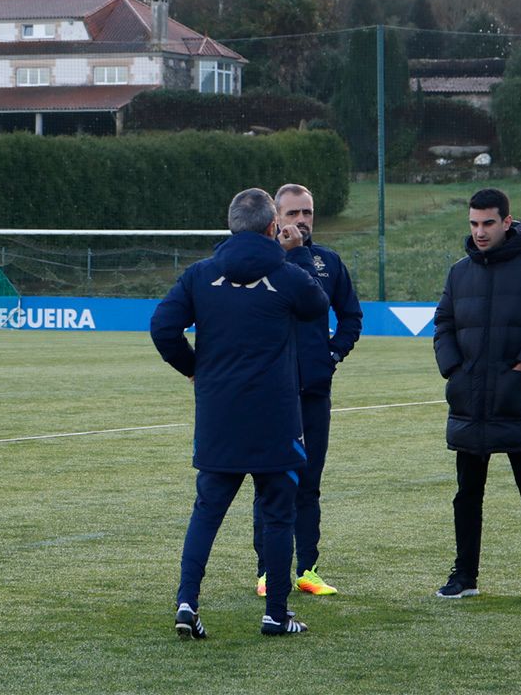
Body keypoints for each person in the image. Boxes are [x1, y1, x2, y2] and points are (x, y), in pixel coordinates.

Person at [151, 187, 330, 638]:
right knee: (277, 515)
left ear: (230, 226)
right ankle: (275, 613)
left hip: (219, 416)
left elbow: (162, 328)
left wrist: (195, 369)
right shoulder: (285, 273)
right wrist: (296, 254)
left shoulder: (200, 275)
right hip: (275, 418)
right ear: (273, 226)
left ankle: (187, 602)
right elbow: (317, 307)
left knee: (207, 511)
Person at [433, 187, 521, 604]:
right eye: (473, 224)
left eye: (488, 223)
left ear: (507, 222)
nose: (480, 232)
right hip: (469, 400)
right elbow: (444, 325)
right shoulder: (459, 272)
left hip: (517, 400)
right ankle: (465, 575)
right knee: (467, 494)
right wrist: (455, 371)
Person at [253, 183, 363, 599]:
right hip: (269, 392)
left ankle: (307, 569)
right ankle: (267, 571)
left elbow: (351, 316)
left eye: (308, 213)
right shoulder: (260, 261)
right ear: (275, 218)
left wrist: (330, 357)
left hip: (314, 390)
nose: (302, 221)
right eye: (293, 213)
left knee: (309, 482)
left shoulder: (328, 262)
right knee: (269, 482)